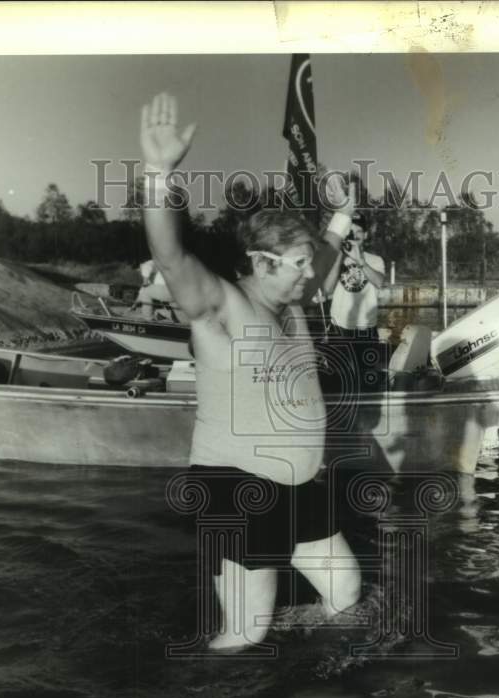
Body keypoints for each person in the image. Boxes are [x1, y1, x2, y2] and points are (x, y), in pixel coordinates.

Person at [140, 92, 361, 650]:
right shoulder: (223, 308)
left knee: (346, 594)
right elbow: (171, 258)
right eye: (300, 263)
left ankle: (309, 676)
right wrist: (159, 173)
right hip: (235, 488)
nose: (313, 274)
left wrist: (343, 215)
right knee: (246, 630)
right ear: (262, 264)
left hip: (299, 486)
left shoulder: (293, 305)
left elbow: (330, 257)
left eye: (309, 261)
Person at [321, 212, 388, 390]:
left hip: (366, 328)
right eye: (350, 232)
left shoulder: (375, 260)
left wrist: (360, 261)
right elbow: (326, 290)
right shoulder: (336, 259)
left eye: (358, 231)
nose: (354, 236)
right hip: (339, 327)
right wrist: (338, 259)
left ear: (365, 235)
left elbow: (380, 282)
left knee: (366, 380)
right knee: (339, 380)